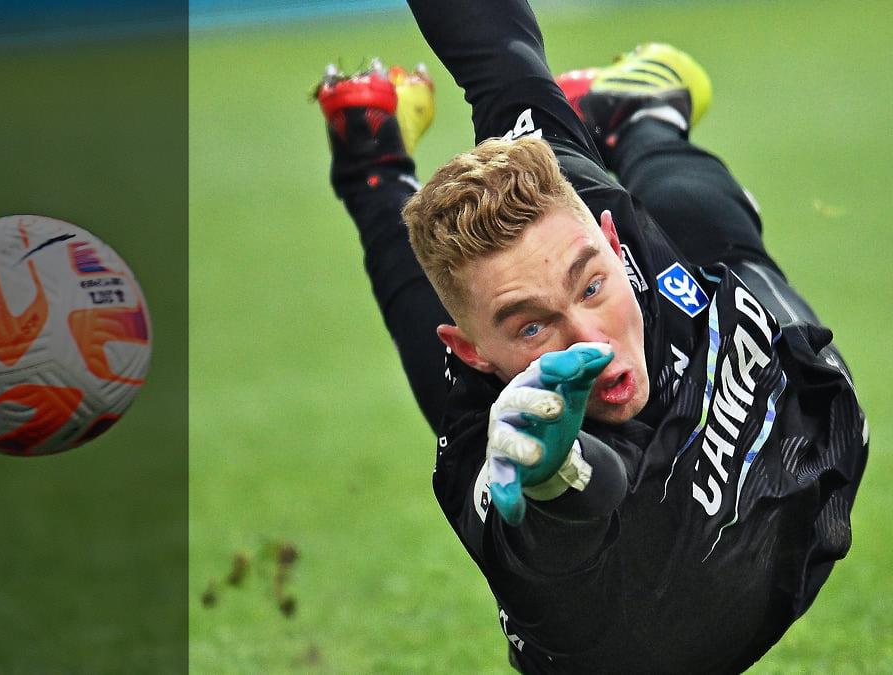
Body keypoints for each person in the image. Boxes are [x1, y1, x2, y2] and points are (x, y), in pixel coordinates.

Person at [315, 1, 869, 672]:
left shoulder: (577, 199)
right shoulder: (488, 457)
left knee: (716, 241)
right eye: (532, 325)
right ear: (472, 351)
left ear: (609, 242)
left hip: (802, 444)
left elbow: (497, 55)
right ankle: (371, 162)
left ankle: (638, 114)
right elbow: (562, 527)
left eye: (591, 286)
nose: (590, 340)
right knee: (465, 391)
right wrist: (553, 477)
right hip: (637, 641)